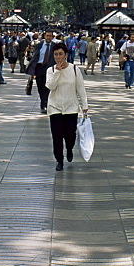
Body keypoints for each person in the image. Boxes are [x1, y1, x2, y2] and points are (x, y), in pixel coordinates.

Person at [45, 42, 88, 171]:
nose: (58, 57)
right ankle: (59, 160)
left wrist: (84, 105)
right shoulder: (51, 70)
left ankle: (69, 148)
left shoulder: (74, 70)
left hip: (71, 108)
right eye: (56, 55)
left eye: (61, 54)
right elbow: (50, 86)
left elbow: (80, 88)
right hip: (55, 108)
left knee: (70, 135)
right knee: (57, 136)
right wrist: (57, 72)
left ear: (66, 55)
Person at [27, 30, 57, 112]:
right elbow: (34, 57)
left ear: (52, 37)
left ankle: (44, 104)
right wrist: (32, 70)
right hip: (39, 67)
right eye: (47, 35)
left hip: (50, 68)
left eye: (50, 36)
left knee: (47, 86)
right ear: (44, 36)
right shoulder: (39, 45)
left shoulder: (55, 46)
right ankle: (43, 100)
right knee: (40, 86)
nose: (48, 37)